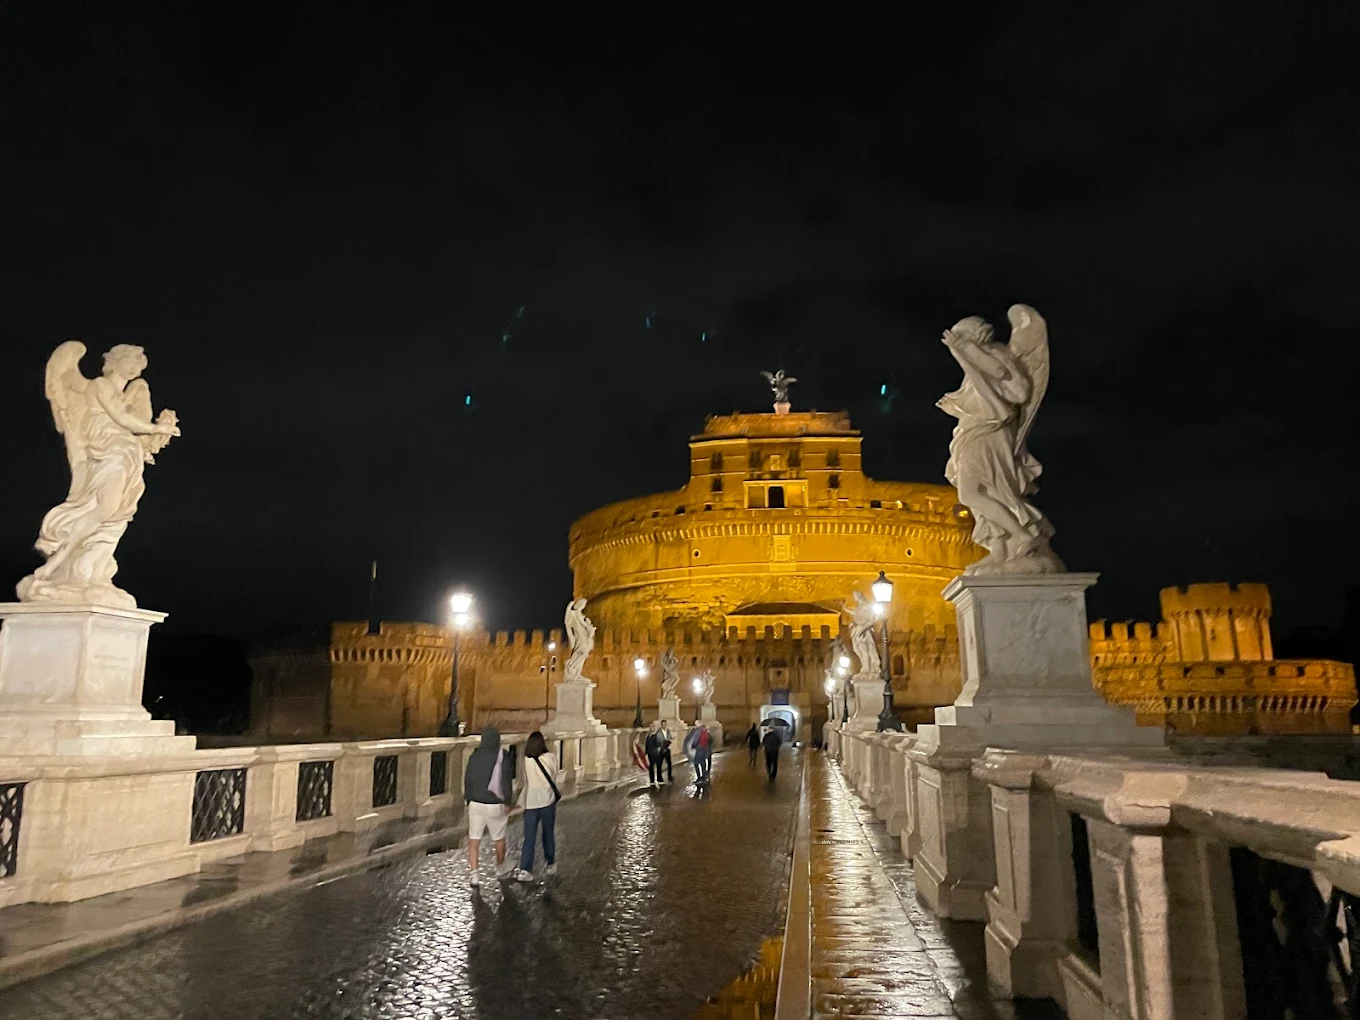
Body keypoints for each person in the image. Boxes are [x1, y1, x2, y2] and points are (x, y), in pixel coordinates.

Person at [464, 725, 514, 885]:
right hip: (495, 804)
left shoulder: (475, 755)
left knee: (474, 839)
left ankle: (474, 874)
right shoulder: (502, 755)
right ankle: (500, 867)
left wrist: (468, 799)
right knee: (499, 838)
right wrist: (508, 802)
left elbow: (468, 779)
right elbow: (506, 782)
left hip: (476, 802)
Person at [513, 730, 562, 882]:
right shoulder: (551, 757)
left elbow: (526, 781)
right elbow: (554, 775)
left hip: (531, 802)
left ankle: (525, 869)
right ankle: (550, 863)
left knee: (529, 837)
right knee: (548, 834)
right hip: (547, 800)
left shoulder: (527, 760)